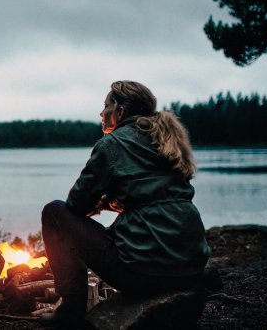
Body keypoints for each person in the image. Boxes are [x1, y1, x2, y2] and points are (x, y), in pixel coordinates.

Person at [40, 81, 210, 326]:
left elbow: (76, 204)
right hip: (191, 268)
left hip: (142, 275)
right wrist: (109, 202)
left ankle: (70, 311)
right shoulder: (166, 140)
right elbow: (149, 195)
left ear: (120, 110)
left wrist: (97, 203)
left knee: (55, 212)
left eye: (106, 105)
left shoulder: (112, 144)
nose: (101, 113)